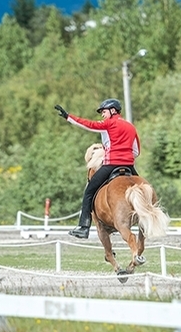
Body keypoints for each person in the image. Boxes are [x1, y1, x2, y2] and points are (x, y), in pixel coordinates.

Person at [54, 99, 140, 239]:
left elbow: (88, 124)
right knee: (142, 191)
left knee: (89, 191)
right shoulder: (131, 126)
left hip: (111, 164)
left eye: (104, 111)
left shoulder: (109, 124)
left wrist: (68, 117)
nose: (102, 115)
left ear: (113, 111)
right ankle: (146, 222)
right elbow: (136, 151)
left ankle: (83, 227)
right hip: (129, 166)